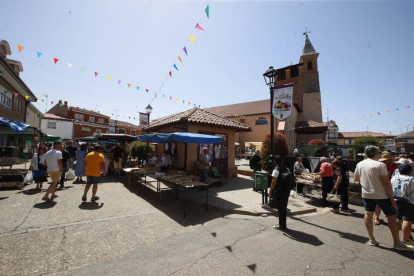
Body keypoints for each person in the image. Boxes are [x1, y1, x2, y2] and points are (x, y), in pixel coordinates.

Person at [354, 145, 412, 251]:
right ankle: (397, 242)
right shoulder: (380, 164)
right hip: (382, 195)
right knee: (391, 217)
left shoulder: (360, 164)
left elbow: (356, 179)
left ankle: (372, 239)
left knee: (368, 214)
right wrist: (391, 198)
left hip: (366, 194)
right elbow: (386, 183)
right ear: (377, 154)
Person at [391, 163, 414, 247]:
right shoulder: (412, 179)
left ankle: (408, 236)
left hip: (397, 200)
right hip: (410, 202)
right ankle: (406, 239)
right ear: (410, 171)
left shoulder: (394, 178)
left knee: (401, 218)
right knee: (407, 220)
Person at [374, 153, 398, 225]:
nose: (384, 162)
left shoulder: (395, 166)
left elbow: (397, 177)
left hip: (391, 186)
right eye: (383, 160)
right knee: (378, 204)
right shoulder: (381, 166)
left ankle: (391, 218)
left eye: (385, 160)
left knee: (392, 203)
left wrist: (389, 174)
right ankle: (376, 217)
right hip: (382, 186)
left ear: (390, 159)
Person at [269, 156, 290, 230]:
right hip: (286, 190)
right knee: (284, 208)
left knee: (280, 208)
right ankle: (283, 224)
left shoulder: (276, 169)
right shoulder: (286, 168)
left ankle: (282, 226)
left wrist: (270, 190)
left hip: (279, 191)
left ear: (275, 162)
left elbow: (273, 181)